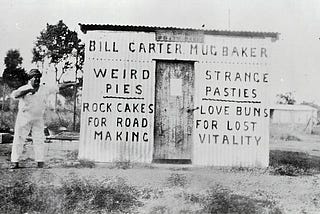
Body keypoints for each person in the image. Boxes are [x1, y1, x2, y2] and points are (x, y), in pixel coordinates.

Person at [10, 69, 74, 169]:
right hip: (24, 117)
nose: (37, 79)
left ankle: (40, 161)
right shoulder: (24, 88)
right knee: (19, 138)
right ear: (30, 79)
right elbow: (15, 95)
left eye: (38, 77)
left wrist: (71, 84)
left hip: (38, 118)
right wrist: (28, 91)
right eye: (35, 77)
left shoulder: (44, 88)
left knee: (39, 139)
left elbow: (58, 87)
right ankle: (15, 161)